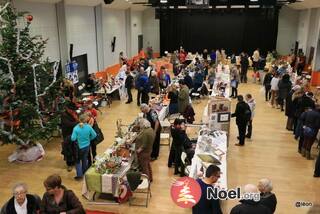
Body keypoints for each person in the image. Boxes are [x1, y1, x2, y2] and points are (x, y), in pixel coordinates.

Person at [71, 113, 97, 180]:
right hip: (87, 146)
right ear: (86, 120)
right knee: (84, 159)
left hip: (79, 147)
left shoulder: (76, 128)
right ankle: (85, 172)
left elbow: (73, 138)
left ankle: (79, 176)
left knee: (78, 161)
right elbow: (94, 135)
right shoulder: (88, 127)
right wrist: (89, 139)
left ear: (79, 120)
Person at [60, 102, 78, 172]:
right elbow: (69, 124)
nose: (73, 111)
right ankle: (69, 164)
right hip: (67, 134)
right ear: (67, 109)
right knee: (68, 149)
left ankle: (74, 161)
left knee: (74, 147)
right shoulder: (64, 115)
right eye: (71, 110)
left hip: (74, 133)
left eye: (73, 110)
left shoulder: (73, 113)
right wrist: (78, 122)